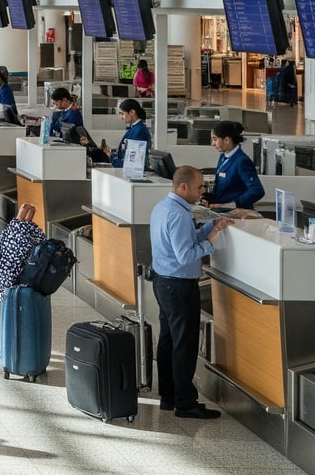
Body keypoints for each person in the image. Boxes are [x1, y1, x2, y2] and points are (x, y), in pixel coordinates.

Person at [150, 165, 234, 419]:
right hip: (178, 286)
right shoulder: (178, 215)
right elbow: (185, 255)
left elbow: (185, 239)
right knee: (184, 345)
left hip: (162, 281)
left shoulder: (164, 207)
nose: (202, 192)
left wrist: (210, 226)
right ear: (183, 186)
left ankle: (169, 395)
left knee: (168, 339)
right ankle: (185, 403)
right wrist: (213, 238)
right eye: (199, 187)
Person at [207, 120, 264, 210]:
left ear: (227, 140)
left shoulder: (242, 161)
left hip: (237, 214)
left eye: (215, 139)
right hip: (222, 211)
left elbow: (257, 190)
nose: (212, 144)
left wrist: (234, 204)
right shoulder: (223, 156)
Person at [84, 98, 151, 167]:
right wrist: (109, 152)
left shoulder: (139, 131)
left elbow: (133, 161)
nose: (121, 117)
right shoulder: (134, 129)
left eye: (122, 114)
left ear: (132, 112)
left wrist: (113, 158)